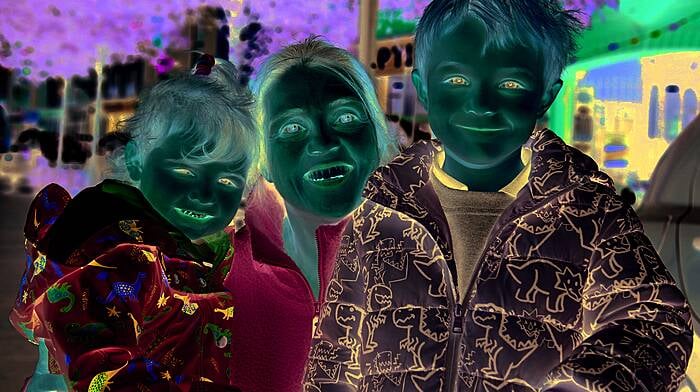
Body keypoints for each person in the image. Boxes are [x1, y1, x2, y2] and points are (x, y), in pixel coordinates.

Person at [358, 0, 695, 390]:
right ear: (423, 88)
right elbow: (334, 347)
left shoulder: (592, 212)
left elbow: (654, 319)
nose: (482, 103)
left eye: (511, 84)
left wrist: (582, 385)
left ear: (545, 96)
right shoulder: (376, 210)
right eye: (456, 81)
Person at [10, 55, 257, 391]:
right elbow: (102, 362)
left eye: (228, 181)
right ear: (136, 161)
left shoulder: (194, 247)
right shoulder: (118, 256)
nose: (205, 194)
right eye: (185, 171)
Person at [227, 37, 452, 391]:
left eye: (345, 117)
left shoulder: (450, 269)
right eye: (292, 128)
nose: (324, 142)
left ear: (376, 139)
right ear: (265, 161)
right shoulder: (213, 274)